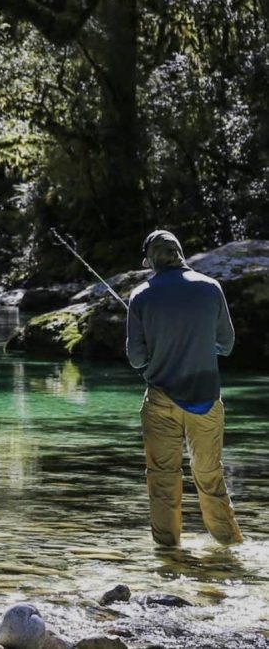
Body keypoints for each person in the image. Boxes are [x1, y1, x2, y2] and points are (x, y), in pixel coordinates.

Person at [126, 230, 243, 547]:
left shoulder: (140, 296)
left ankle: (168, 553)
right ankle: (228, 548)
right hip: (206, 398)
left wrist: (158, 351)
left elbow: (136, 359)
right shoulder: (211, 288)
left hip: (161, 397)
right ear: (180, 252)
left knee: (163, 478)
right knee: (210, 476)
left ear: (151, 259)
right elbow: (227, 344)